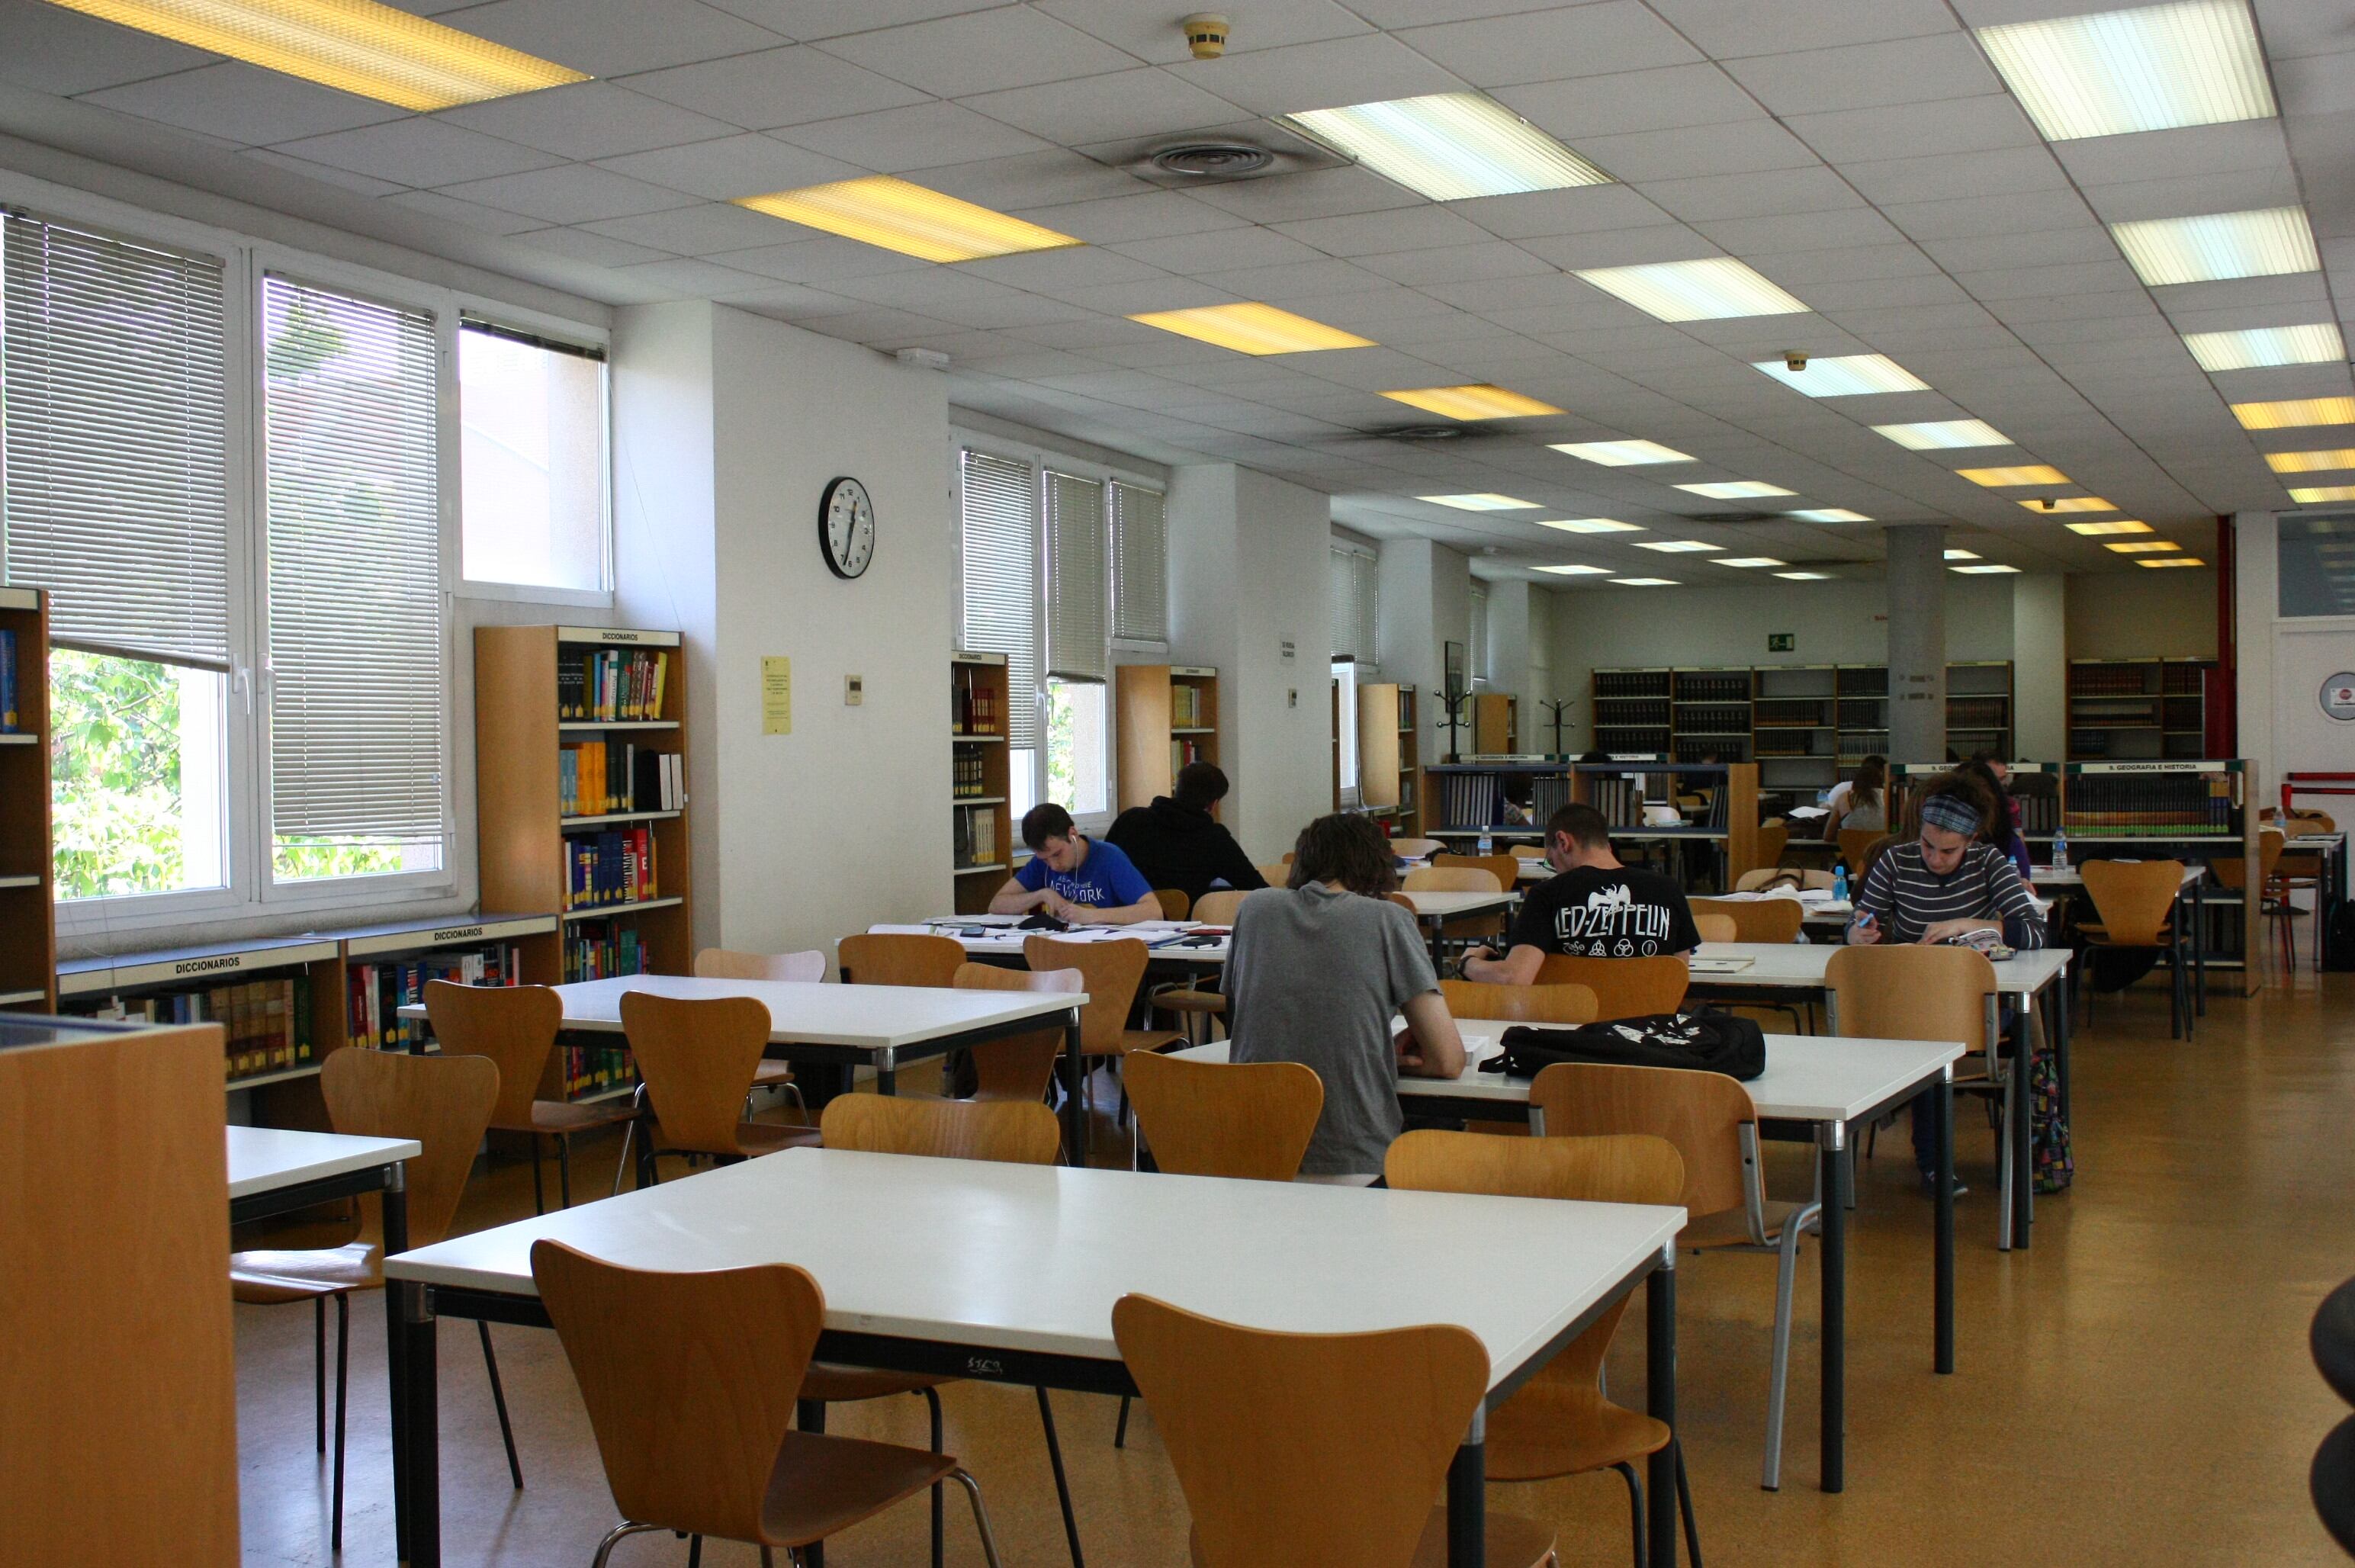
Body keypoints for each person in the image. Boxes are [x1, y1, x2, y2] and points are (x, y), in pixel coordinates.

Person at [1224, 813, 1467, 1182]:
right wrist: (1379, 1057)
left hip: (1253, 1148)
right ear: (1376, 865)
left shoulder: (1254, 910)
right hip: (1352, 1156)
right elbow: (1449, 1061)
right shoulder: (1389, 920)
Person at [1846, 775, 2046, 1190]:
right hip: (1908, 1003)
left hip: (1973, 1007)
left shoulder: (1990, 863)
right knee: (1928, 1038)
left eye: (1948, 850)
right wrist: (1857, 932)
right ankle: (1933, 1163)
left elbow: (2038, 933)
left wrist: (1971, 923)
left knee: (1932, 1043)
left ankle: (1935, 1163)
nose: (1935, 858)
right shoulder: (1897, 861)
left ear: (1971, 840)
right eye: (1928, 846)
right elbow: (1862, 919)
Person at [1460, 802, 1702, 985]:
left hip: (1573, 1034)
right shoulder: (1668, 889)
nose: (1553, 867)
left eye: (1550, 859)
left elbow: (1515, 978)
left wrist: (1468, 964)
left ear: (1563, 842)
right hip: (1650, 1039)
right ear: (1606, 845)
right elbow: (1678, 978)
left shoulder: (1547, 894)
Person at [1105, 761, 1267, 907]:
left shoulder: (1131, 819)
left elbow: (1102, 865)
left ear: (1176, 788)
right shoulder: (1215, 838)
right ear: (1213, 804)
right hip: (1185, 928)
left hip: (1120, 924)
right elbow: (1256, 888)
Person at [989, 804, 1160, 925]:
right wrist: (1042, 894)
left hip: (1108, 955)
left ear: (1073, 834)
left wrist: (1092, 916)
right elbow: (996, 905)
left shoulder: (1109, 857)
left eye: (1057, 854)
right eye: (1045, 859)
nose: (1054, 866)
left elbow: (1154, 912)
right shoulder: (1043, 864)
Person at [1965, 752, 2033, 879]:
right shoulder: (1963, 806)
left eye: (2004, 779)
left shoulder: (2008, 805)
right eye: (1996, 779)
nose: (2002, 785)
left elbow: (2018, 839)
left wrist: (2022, 872)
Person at [1825, 755, 1888, 837]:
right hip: (1880, 848)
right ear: (1881, 779)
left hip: (1852, 848)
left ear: (1856, 780)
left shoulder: (1845, 797)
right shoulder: (1888, 796)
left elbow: (1828, 836)